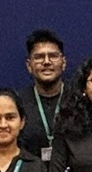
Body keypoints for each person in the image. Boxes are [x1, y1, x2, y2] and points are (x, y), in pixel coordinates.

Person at [19, 29, 67, 162]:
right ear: (29, 65)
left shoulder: (78, 100)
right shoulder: (17, 104)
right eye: (39, 57)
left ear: (63, 63)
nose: (46, 62)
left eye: (53, 56)